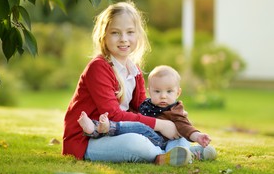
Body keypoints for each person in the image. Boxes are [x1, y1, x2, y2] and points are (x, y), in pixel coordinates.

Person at [62, 0, 195, 166]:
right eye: (115, 33)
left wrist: (170, 116)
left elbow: (143, 109)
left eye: (130, 32)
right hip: (89, 139)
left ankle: (179, 153)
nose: (124, 39)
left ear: (137, 35)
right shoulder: (98, 67)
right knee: (135, 142)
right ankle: (180, 154)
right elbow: (113, 115)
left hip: (118, 131)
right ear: (104, 36)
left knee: (177, 126)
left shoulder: (134, 69)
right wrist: (161, 124)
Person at [78, 65, 217, 161]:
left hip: (164, 141)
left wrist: (197, 135)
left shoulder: (175, 110)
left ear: (178, 92)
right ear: (149, 90)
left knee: (178, 138)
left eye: (169, 92)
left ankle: (104, 127)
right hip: (150, 140)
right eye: (157, 91)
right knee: (138, 126)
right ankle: (187, 155)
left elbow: (185, 127)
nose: (163, 96)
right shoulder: (146, 104)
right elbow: (131, 117)